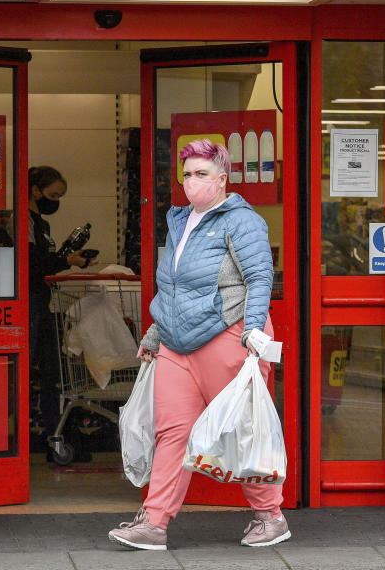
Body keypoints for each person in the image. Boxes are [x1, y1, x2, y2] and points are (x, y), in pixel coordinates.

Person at [108, 139, 290, 550]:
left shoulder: (242, 220)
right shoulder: (179, 220)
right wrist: (155, 331)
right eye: (187, 174)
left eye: (201, 174)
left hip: (227, 333)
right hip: (176, 343)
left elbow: (260, 278)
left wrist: (254, 331)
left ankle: (270, 515)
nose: (192, 182)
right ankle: (154, 522)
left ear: (222, 179)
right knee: (171, 430)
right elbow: (170, 284)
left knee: (240, 431)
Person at [27, 166, 95, 452]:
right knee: (32, 371)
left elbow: (44, 261)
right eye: (53, 195)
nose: (55, 201)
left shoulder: (41, 224)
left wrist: (68, 258)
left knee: (52, 374)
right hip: (28, 306)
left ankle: (51, 433)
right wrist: (69, 262)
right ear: (35, 190)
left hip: (43, 305)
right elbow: (32, 266)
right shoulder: (24, 221)